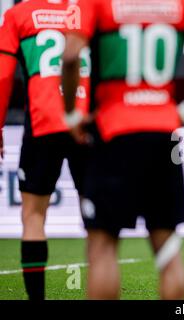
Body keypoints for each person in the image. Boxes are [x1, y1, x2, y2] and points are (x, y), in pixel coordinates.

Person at [61, 0, 184, 299]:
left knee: (102, 246)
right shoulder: (182, 5)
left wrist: (71, 115)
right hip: (164, 135)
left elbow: (71, 55)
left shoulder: (97, 3)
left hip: (113, 132)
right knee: (167, 248)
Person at [0, 0, 90, 299]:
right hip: (85, 123)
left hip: (43, 123)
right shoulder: (91, 9)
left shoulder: (19, 14)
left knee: (34, 216)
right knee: (98, 221)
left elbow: (2, 76)